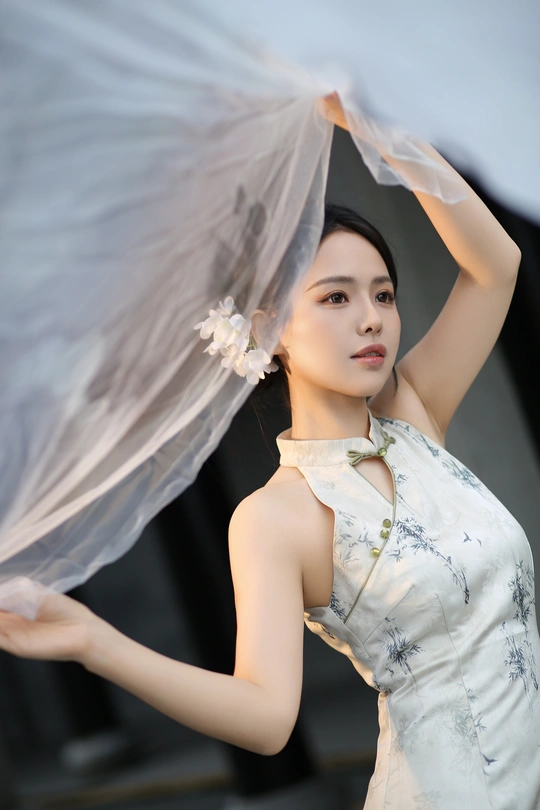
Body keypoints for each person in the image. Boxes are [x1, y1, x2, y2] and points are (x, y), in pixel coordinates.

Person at [0, 103, 538, 809]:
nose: (371, 318)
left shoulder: (413, 417)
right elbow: (264, 717)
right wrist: (95, 643)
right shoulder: (276, 517)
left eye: (383, 294)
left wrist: (377, 128)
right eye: (335, 298)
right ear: (269, 329)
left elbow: (496, 266)